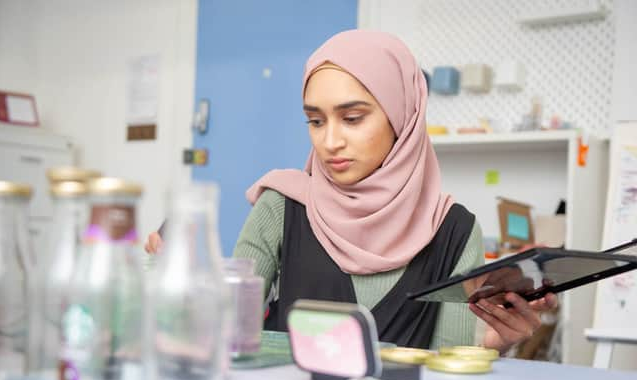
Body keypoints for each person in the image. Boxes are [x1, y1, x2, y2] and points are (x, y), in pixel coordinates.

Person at [145, 29, 557, 353]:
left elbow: (444, 373)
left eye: (353, 118)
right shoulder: (282, 205)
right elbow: (228, 335)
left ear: (402, 117)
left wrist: (487, 347)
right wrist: (178, 285)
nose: (330, 141)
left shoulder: (452, 231)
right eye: (316, 121)